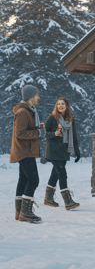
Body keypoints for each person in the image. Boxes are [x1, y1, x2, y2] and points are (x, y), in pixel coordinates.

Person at [10, 85, 43, 223]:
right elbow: (20, 133)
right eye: (36, 95)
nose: (38, 97)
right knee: (34, 180)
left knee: (23, 180)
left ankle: (19, 212)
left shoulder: (28, 111)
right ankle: (26, 212)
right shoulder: (23, 112)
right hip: (24, 151)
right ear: (30, 97)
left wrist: (37, 127)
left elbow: (24, 128)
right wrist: (37, 133)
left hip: (24, 150)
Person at [43, 97, 80, 210]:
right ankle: (68, 201)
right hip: (54, 151)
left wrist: (77, 151)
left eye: (62, 104)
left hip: (64, 151)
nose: (60, 106)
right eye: (58, 104)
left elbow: (73, 136)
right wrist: (54, 133)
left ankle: (48, 198)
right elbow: (46, 134)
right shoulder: (52, 118)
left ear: (67, 106)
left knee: (55, 174)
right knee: (62, 174)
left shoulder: (70, 119)